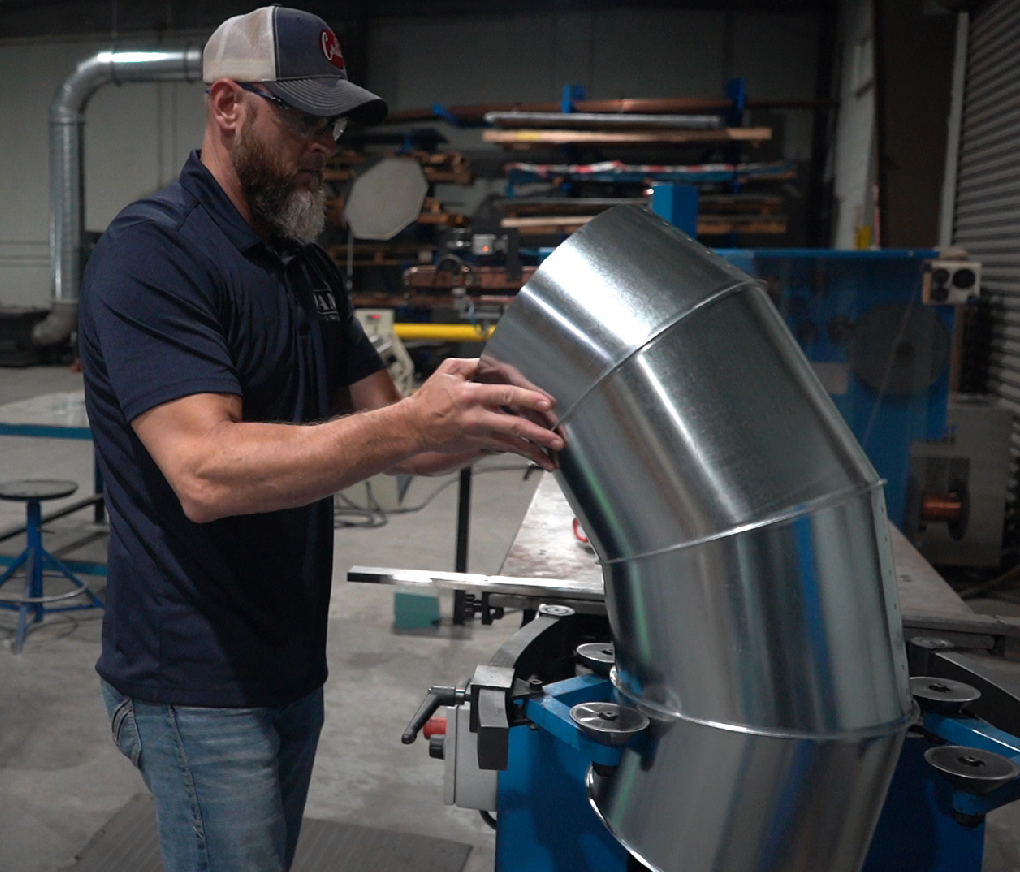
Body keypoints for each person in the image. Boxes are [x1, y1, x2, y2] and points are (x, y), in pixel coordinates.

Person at [77, 7, 562, 872]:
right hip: (194, 679)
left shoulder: (304, 265)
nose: (324, 142)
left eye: (332, 122)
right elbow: (204, 472)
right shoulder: (155, 255)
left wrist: (505, 422)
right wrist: (412, 421)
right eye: (303, 117)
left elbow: (401, 440)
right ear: (227, 105)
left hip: (289, 662)